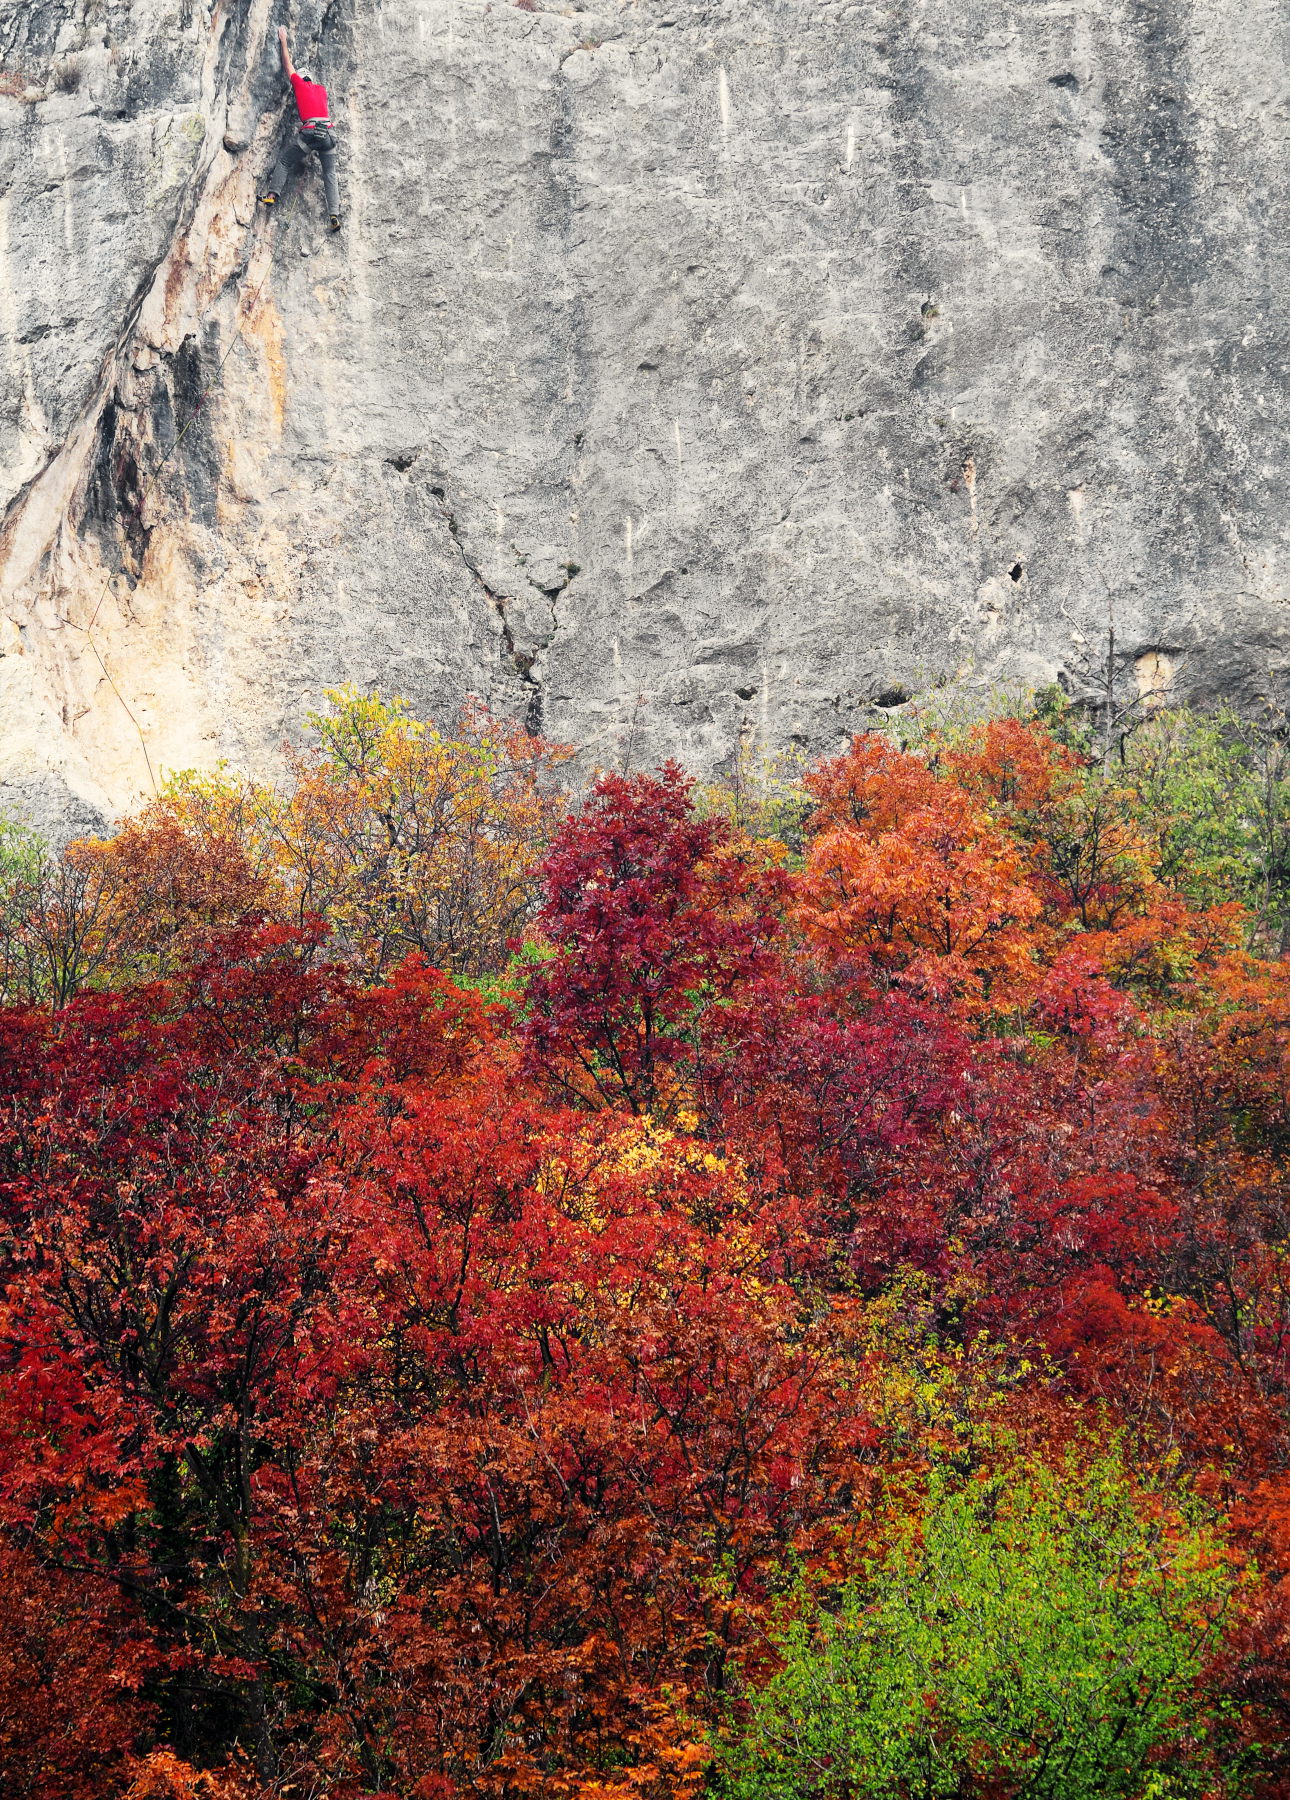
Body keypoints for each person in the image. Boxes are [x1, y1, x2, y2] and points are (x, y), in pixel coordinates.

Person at [259, 26, 340, 230]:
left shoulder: (299, 84)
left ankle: (272, 195)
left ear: (300, 79)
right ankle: (334, 215)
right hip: (328, 134)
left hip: (310, 133)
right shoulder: (321, 90)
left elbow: (288, 64)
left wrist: (283, 39)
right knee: (329, 173)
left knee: (285, 160)